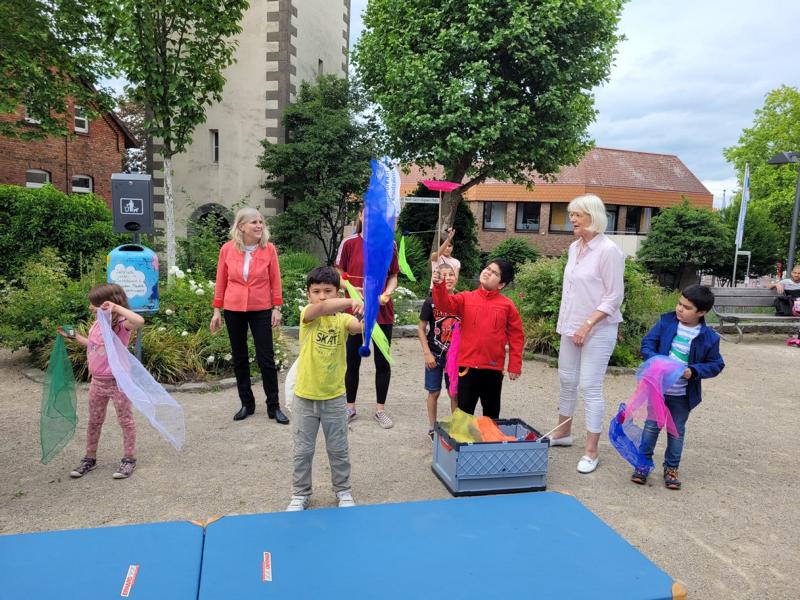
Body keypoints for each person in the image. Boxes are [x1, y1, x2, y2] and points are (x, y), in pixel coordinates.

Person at [548, 194, 624, 475]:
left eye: (577, 215)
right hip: (571, 325)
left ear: (593, 216)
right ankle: (562, 432)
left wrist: (587, 324)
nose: (572, 220)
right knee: (567, 379)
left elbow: (614, 297)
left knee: (590, 386)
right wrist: (569, 324)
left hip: (599, 329)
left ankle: (591, 451)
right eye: (571, 215)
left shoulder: (609, 251)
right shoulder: (573, 248)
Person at [286, 267, 363, 511]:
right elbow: (320, 310)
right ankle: (300, 493)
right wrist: (351, 300)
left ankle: (343, 490)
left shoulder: (342, 320)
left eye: (328, 291)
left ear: (336, 292)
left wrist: (367, 307)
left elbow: (357, 327)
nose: (322, 296)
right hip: (305, 397)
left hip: (334, 397)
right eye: (316, 291)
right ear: (308, 295)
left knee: (338, 448)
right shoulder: (307, 315)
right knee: (303, 451)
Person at [633, 284, 725, 490]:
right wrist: (656, 360)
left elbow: (716, 364)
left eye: (686, 307)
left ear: (701, 312)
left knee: (677, 432)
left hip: (682, 395)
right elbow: (648, 343)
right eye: (679, 304)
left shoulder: (709, 338)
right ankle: (643, 464)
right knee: (651, 427)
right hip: (658, 389)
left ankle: (671, 468)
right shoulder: (666, 322)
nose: (679, 309)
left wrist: (692, 371)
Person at [58, 284, 145, 479]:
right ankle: (90, 458)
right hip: (97, 382)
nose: (90, 308)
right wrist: (75, 337)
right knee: (94, 421)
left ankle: (129, 459)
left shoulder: (122, 324)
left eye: (94, 305)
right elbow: (95, 346)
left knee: (126, 421)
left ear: (108, 304)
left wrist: (116, 308)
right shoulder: (98, 323)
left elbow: (139, 320)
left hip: (117, 382)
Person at [210, 207, 288, 424]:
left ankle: (274, 406)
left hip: (261, 308)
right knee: (240, 358)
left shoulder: (268, 249)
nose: (259, 226)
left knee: (266, 358)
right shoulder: (227, 249)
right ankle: (247, 404)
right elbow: (221, 281)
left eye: (261, 222)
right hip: (233, 309)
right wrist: (217, 310)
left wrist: (277, 307)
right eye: (254, 222)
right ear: (241, 226)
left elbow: (275, 280)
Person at [431, 258, 524, 419]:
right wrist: (439, 287)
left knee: (492, 412)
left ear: (501, 284)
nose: (487, 272)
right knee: (465, 412)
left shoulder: (507, 305)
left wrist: (514, 364)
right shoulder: (465, 298)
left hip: (493, 368)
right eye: (488, 268)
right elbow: (443, 305)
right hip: (467, 366)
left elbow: (516, 336)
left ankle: (488, 442)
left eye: (494, 272)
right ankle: (463, 443)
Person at [335, 205, 400, 429]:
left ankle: (380, 410)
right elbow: (339, 275)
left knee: (382, 363)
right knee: (352, 362)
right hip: (355, 312)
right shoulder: (349, 243)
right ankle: (350, 407)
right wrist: (353, 290)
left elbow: (393, 276)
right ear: (361, 215)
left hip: (382, 312)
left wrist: (388, 292)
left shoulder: (389, 244)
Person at [418, 264, 460, 440]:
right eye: (443, 275)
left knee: (454, 393)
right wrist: (427, 353)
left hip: (455, 358)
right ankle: (432, 427)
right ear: (437, 279)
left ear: (456, 277)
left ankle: (456, 428)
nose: (448, 278)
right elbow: (421, 328)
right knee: (434, 392)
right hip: (434, 354)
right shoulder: (431, 302)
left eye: (451, 274)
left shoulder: (461, 300)